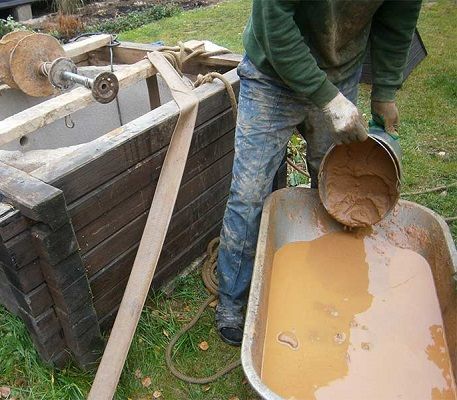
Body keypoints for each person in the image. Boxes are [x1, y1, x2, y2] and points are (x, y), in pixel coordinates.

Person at [216, 0, 422, 345]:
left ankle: (330, 284)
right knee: (249, 193)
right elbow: (275, 26)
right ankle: (232, 302)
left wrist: (385, 91)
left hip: (340, 72)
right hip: (271, 77)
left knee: (339, 189)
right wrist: (330, 100)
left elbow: (396, 22)